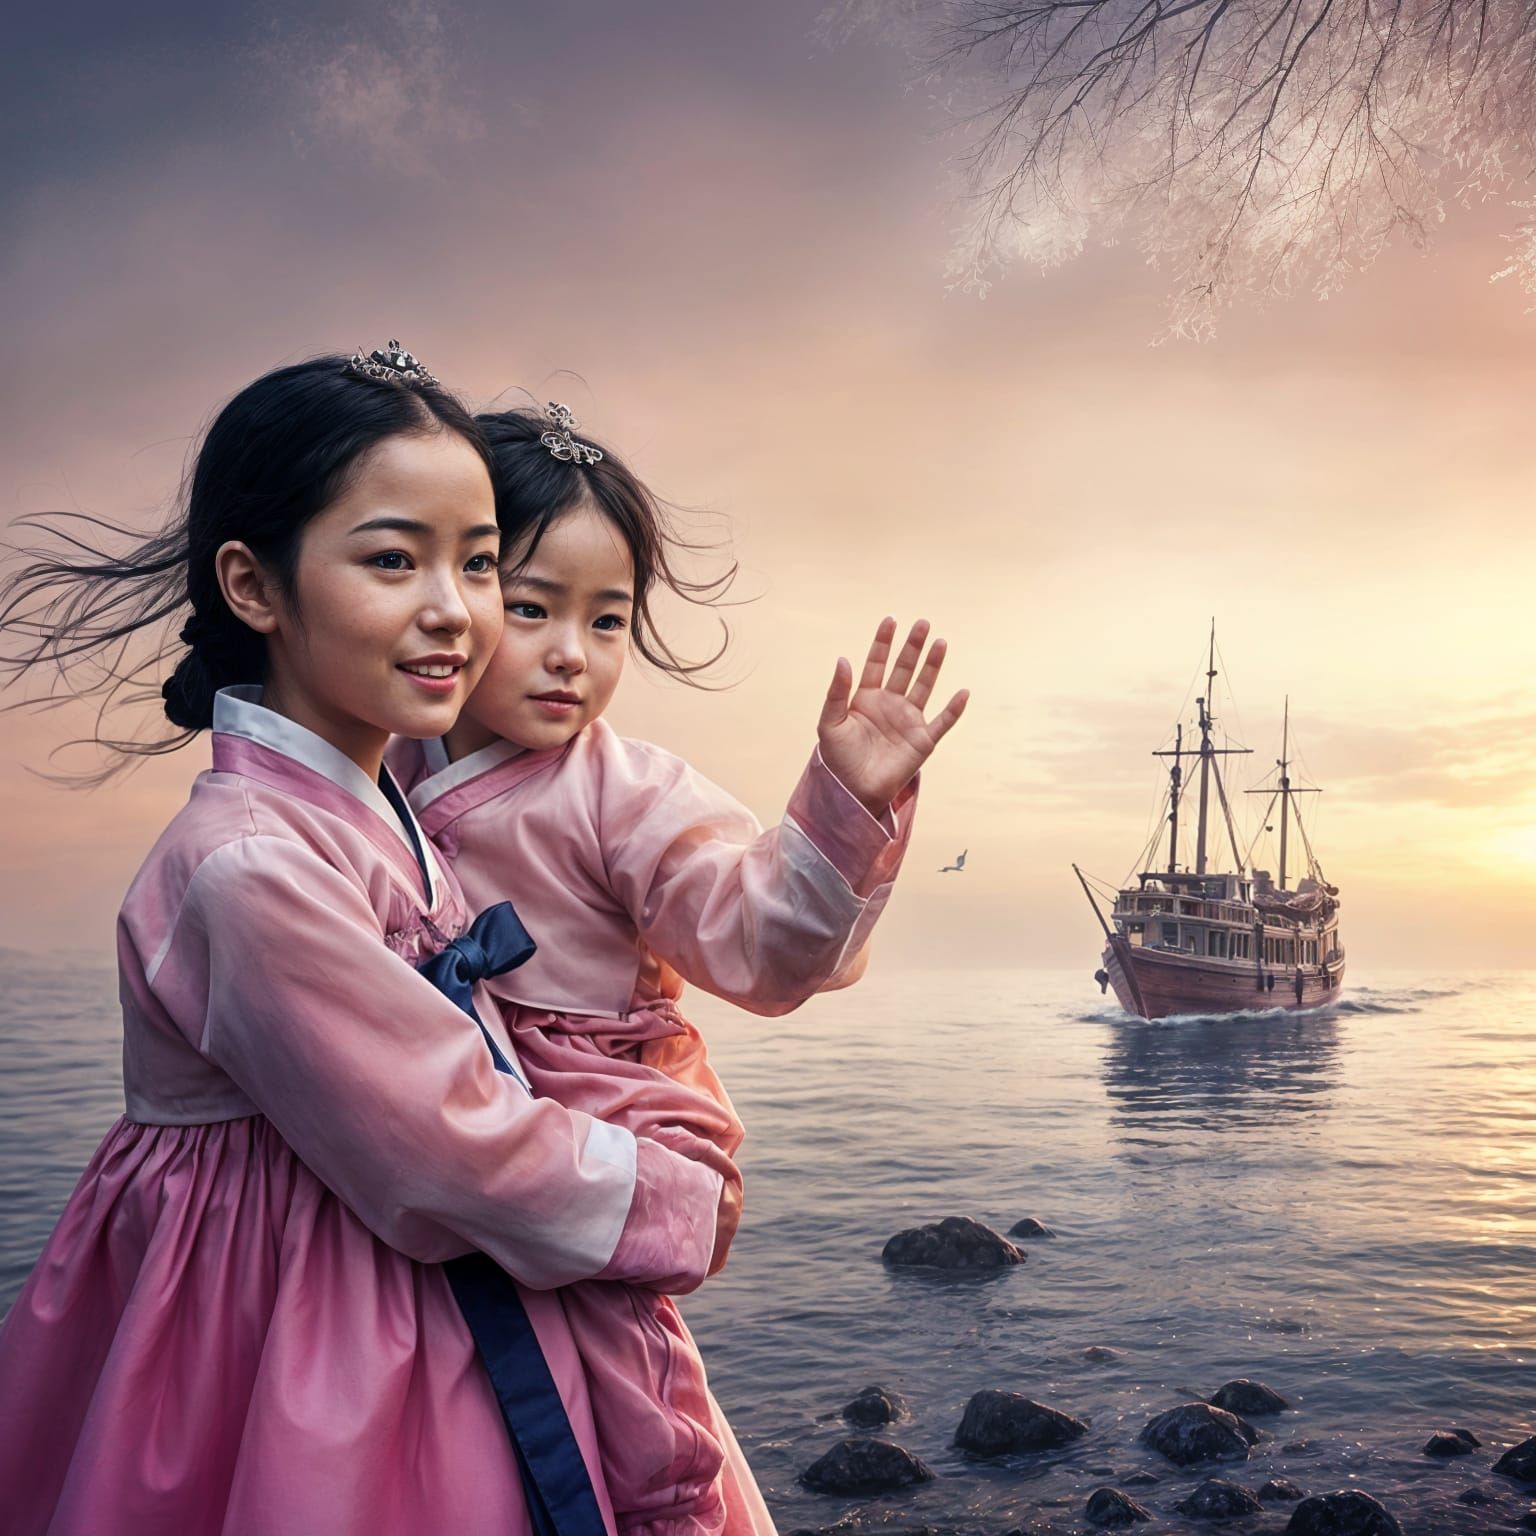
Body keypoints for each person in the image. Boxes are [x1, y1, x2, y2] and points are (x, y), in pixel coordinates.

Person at [0, 347, 732, 1536]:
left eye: (479, 563)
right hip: (289, 1318)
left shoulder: (385, 800)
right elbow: (443, 1142)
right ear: (254, 584)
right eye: (394, 560)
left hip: (404, 1277)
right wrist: (675, 1202)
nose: (453, 609)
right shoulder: (248, 864)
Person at [388, 402, 969, 1536]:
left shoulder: (630, 792)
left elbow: (762, 942)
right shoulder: (387, 765)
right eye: (532, 607)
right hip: (456, 1134)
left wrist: (847, 801)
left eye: (608, 620)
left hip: (599, 1129)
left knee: (637, 1435)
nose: (573, 653)